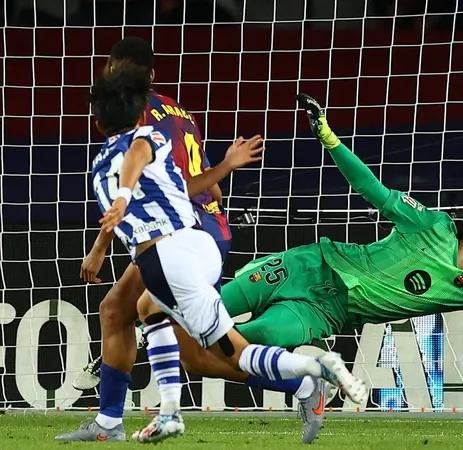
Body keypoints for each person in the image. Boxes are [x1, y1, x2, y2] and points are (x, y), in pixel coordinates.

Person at [91, 93, 463, 443]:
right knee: (188, 309)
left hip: (324, 310)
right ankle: (143, 384)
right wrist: (328, 137)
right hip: (308, 265)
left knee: (238, 349)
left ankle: (305, 381)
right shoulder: (429, 224)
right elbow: (373, 189)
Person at [65, 63, 367, 444]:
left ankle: (313, 371)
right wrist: (225, 166)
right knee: (158, 321)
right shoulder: (170, 122)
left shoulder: (119, 152)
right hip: (204, 240)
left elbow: (137, 162)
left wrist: (114, 217)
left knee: (225, 350)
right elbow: (205, 189)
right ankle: (166, 413)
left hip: (173, 251)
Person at [56, 36, 292, 442]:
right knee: (126, 315)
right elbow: (210, 190)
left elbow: (165, 189)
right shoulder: (179, 113)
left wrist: (99, 248)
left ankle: (302, 383)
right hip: (201, 226)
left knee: (192, 350)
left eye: (117, 70)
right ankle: (109, 423)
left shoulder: (139, 120)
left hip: (184, 232)